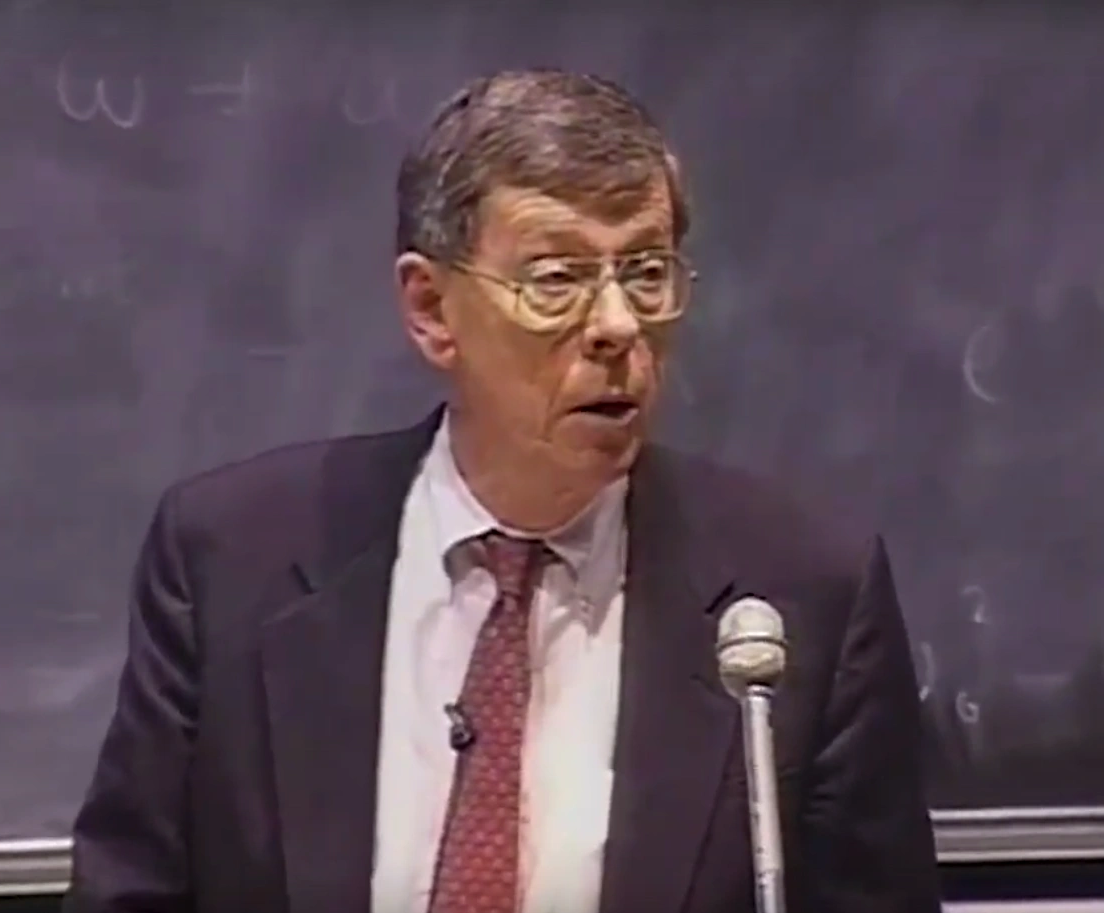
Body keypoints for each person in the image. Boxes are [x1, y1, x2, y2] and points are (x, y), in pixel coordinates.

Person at [63, 69, 941, 913]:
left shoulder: (801, 592)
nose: (615, 325)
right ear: (431, 309)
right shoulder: (232, 560)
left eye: (644, 271)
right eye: (555, 279)